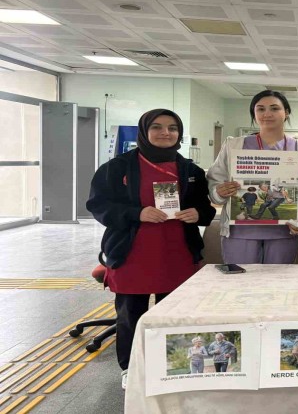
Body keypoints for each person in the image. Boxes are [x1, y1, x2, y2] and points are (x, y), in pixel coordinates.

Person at [87, 109, 216, 389]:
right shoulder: (118, 167)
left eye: (172, 128)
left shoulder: (190, 171)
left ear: (179, 133)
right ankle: (131, 367)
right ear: (144, 132)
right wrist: (137, 213)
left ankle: (173, 365)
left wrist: (198, 213)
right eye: (157, 127)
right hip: (132, 253)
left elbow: (205, 209)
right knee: (130, 315)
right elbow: (99, 205)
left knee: (174, 314)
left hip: (177, 252)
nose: (165, 133)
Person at [207, 90, 298, 264]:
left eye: (274, 108)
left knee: (278, 279)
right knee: (240, 278)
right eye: (261, 109)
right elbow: (214, 181)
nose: (267, 114)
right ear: (254, 113)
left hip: (284, 232)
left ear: (286, 112)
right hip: (240, 232)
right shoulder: (234, 145)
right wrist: (220, 191)